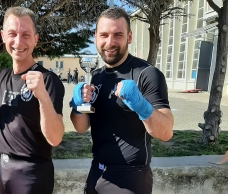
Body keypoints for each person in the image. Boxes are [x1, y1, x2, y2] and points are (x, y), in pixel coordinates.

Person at [70, 7, 174, 194]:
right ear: (95, 37)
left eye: (118, 35)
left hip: (131, 176)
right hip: (97, 172)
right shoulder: (94, 76)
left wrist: (140, 104)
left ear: (129, 37)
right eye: (104, 35)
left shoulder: (147, 74)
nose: (110, 42)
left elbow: (166, 132)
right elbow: (80, 127)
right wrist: (78, 107)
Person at [0, 6, 65, 194]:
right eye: (12, 34)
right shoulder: (0, 76)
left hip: (33, 174)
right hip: (5, 170)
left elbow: (55, 138)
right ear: (3, 36)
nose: (18, 41)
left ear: (35, 39)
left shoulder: (47, 80)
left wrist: (42, 96)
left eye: (26, 35)